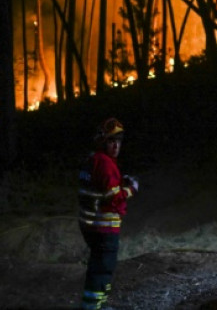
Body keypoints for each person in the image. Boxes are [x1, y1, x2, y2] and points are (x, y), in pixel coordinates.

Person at [77, 118, 138, 310]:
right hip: (104, 226)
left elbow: (100, 188)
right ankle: (93, 307)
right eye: (112, 141)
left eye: (119, 141)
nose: (116, 145)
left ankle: (97, 304)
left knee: (99, 264)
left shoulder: (92, 160)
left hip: (90, 224)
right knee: (103, 267)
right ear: (103, 142)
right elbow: (113, 197)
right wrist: (131, 189)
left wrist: (120, 181)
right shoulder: (105, 164)